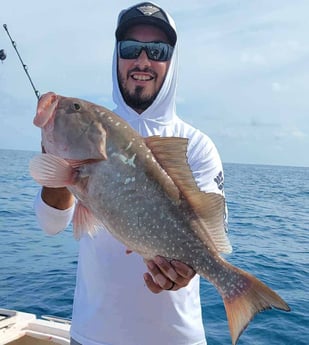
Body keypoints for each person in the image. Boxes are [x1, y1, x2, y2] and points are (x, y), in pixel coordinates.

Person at [34, 2, 229, 345]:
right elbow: (51, 226)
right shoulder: (89, 133)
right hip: (92, 335)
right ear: (116, 57)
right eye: (130, 48)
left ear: (171, 60)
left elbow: (210, 236)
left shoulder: (196, 145)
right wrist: (59, 160)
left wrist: (187, 271)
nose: (142, 60)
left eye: (157, 50)